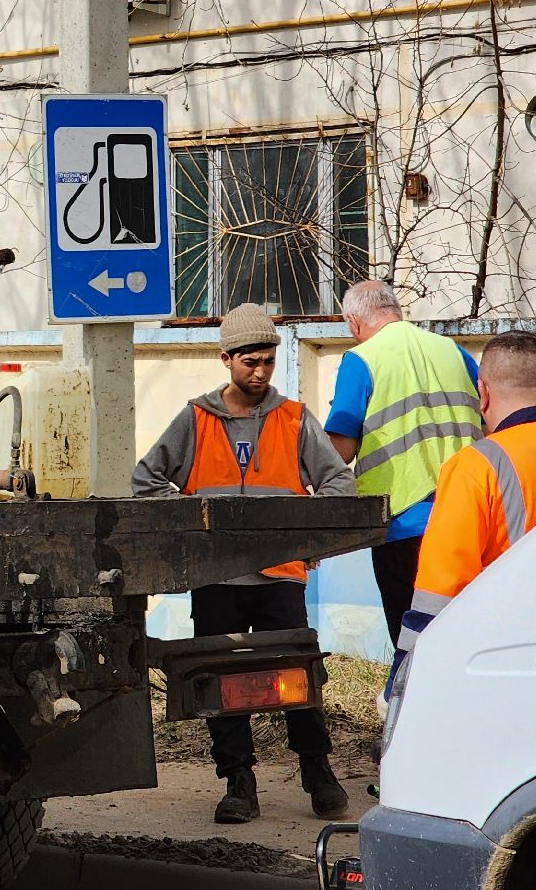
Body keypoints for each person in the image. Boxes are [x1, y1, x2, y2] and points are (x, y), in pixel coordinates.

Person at [135, 303, 355, 824]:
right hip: (214, 580)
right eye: (249, 362)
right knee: (217, 681)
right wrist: (193, 527)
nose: (259, 372)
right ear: (225, 358)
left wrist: (306, 540)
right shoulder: (195, 418)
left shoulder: (294, 419)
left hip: (279, 577)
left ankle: (317, 771)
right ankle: (238, 781)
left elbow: (338, 485)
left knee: (297, 674)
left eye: (267, 363)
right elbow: (147, 480)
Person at [323, 281, 482, 649]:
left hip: (404, 521)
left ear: (353, 322)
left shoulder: (362, 359)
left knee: (412, 641)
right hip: (467, 517)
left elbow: (340, 450)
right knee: (464, 635)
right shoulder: (453, 351)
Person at [395, 330, 536, 661]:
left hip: (507, 650)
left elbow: (438, 594)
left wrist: (401, 678)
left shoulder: (475, 466)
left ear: (482, 392)